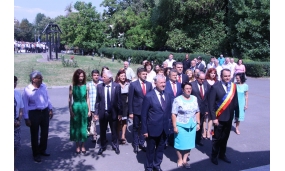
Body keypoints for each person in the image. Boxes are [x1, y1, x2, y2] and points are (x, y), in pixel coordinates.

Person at [141, 75, 172, 171]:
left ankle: (157, 165)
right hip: (152, 129)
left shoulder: (168, 95)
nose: (163, 85)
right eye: (161, 83)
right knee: (150, 150)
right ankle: (149, 167)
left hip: (164, 128)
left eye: (164, 82)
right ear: (155, 83)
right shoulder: (149, 96)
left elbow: (168, 112)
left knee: (160, 149)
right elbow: (144, 115)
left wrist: (169, 126)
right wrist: (145, 130)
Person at [208, 68, 239, 165]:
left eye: (229, 76)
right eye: (225, 76)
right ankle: (214, 156)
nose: (227, 78)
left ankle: (222, 154)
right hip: (219, 119)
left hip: (229, 117)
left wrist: (237, 115)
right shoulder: (215, 87)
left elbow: (235, 102)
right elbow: (211, 104)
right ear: (221, 76)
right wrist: (214, 118)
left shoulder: (233, 86)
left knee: (225, 137)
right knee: (216, 138)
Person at [22, 70, 53, 163]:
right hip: (34, 114)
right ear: (33, 79)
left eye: (41, 77)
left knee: (45, 133)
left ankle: (42, 149)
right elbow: (25, 105)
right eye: (39, 78)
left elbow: (47, 98)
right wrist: (26, 118)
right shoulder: (27, 90)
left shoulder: (44, 86)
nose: (41, 79)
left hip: (44, 112)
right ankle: (35, 154)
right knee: (34, 134)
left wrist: (50, 109)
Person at [172, 82, 200, 169]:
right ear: (182, 90)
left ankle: (185, 160)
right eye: (187, 88)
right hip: (181, 125)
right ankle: (179, 159)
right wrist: (174, 126)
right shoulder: (177, 100)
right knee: (179, 143)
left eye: (190, 89)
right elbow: (173, 114)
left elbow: (197, 111)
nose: (188, 90)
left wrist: (198, 123)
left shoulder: (194, 98)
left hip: (192, 125)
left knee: (189, 144)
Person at [95, 70, 123, 155]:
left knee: (114, 131)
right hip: (103, 112)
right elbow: (97, 101)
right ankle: (102, 146)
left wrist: (120, 113)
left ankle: (115, 145)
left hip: (113, 112)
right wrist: (96, 113)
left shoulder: (117, 86)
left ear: (110, 78)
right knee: (102, 131)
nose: (101, 78)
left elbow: (119, 101)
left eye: (104, 77)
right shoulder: (99, 87)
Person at [128, 67, 153, 153]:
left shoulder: (149, 84)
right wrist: (130, 112)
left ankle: (141, 143)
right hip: (136, 110)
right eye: (143, 74)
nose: (145, 75)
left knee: (144, 127)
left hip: (146, 110)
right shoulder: (133, 84)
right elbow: (130, 99)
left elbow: (152, 97)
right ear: (139, 75)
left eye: (146, 74)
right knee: (136, 127)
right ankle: (135, 144)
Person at [69, 69, 91, 154]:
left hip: (84, 107)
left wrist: (89, 110)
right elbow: (69, 99)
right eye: (79, 76)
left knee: (84, 126)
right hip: (76, 107)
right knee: (76, 127)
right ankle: (77, 145)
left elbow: (87, 98)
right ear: (76, 77)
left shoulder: (86, 86)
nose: (81, 78)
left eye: (82, 76)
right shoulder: (72, 86)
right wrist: (70, 110)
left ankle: (83, 145)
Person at [190, 71, 210, 146]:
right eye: (201, 79)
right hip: (193, 109)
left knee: (200, 125)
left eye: (204, 79)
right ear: (196, 78)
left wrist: (207, 109)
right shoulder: (192, 85)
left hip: (203, 109)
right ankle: (191, 139)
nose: (202, 81)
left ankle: (198, 139)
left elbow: (208, 97)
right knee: (192, 124)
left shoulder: (206, 84)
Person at [165, 69, 183, 147]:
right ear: (169, 76)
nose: (175, 77)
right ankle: (165, 141)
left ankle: (172, 140)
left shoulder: (179, 85)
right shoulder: (166, 84)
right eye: (173, 75)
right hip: (168, 108)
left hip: (177, 109)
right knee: (167, 124)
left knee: (175, 124)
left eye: (176, 75)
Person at [86, 69, 102, 143]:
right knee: (93, 122)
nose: (96, 76)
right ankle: (94, 136)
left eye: (97, 75)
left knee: (102, 122)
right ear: (92, 76)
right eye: (94, 75)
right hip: (92, 106)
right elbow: (87, 97)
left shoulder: (102, 83)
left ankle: (102, 136)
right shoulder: (88, 84)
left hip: (101, 107)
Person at [115, 69, 130, 144]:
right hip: (118, 105)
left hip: (126, 105)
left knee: (124, 121)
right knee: (118, 121)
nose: (123, 77)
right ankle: (117, 135)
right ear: (118, 77)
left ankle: (123, 135)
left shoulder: (128, 84)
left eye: (124, 76)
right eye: (122, 76)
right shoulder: (115, 84)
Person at [14, 76, 24, 170]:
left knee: (15, 145)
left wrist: (19, 120)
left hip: (16, 123)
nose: (14, 83)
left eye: (15, 81)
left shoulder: (17, 93)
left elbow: (21, 108)